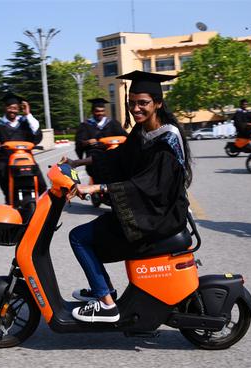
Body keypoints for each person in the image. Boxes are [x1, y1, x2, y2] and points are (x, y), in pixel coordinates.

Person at [62, 71, 193, 323]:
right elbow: (117, 157)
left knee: (79, 237)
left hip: (159, 217)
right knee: (89, 235)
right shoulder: (143, 132)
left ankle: (106, 302)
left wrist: (97, 188)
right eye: (132, 102)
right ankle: (104, 291)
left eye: (142, 103)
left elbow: (148, 185)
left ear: (158, 103)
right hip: (148, 211)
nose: (135, 108)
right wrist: (77, 162)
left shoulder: (167, 140)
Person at [0, 93, 47, 203]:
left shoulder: (25, 122)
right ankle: (10, 202)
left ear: (19, 108)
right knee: (1, 173)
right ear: (5, 108)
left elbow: (36, 132)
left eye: (16, 108)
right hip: (6, 160)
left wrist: (28, 114)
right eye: (10, 107)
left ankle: (43, 208)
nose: (13, 111)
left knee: (41, 184)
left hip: (26, 159)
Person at [74, 98, 128, 179]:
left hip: (112, 159)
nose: (100, 113)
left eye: (102, 111)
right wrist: (87, 142)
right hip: (95, 163)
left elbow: (125, 137)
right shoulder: (85, 125)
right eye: (97, 111)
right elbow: (79, 143)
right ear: (92, 112)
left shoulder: (112, 123)